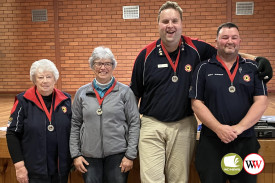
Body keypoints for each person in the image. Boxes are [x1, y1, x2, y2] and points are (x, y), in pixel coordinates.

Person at [130, 1, 272, 183]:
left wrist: (258, 59)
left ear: (182, 24)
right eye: (165, 21)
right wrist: (132, 130)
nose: (170, 26)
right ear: (158, 24)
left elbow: (227, 50)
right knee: (151, 179)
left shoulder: (197, 49)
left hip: (183, 125)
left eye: (174, 21)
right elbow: (134, 94)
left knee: (179, 179)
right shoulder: (145, 55)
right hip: (152, 124)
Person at [189, 22, 268, 183]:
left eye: (234, 37)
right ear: (216, 41)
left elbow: (261, 101)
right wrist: (219, 129)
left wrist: (239, 128)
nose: (229, 41)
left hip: (246, 141)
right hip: (212, 142)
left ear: (240, 41)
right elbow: (196, 103)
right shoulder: (203, 68)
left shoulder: (253, 68)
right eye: (225, 37)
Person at [70, 46, 140, 183]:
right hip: (88, 155)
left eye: (107, 63)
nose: (103, 67)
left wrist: (130, 155)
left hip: (118, 154)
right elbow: (75, 124)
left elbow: (134, 123)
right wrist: (76, 154)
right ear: (92, 65)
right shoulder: (82, 93)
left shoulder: (125, 92)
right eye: (98, 63)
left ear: (113, 66)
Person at [6, 59, 72, 183]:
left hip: (60, 170)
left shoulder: (66, 100)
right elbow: (12, 134)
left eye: (49, 76)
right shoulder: (22, 101)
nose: (45, 81)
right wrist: (19, 166)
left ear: (55, 79)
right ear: (34, 80)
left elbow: (73, 131)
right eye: (40, 77)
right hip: (34, 171)